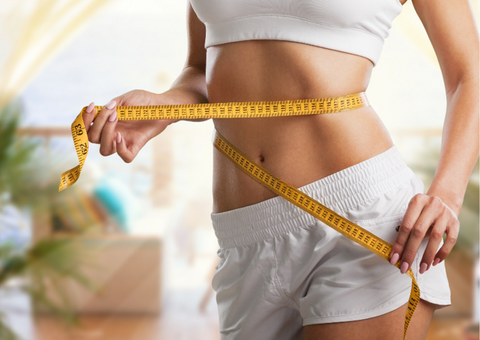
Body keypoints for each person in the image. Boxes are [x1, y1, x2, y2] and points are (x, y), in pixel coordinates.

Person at [81, 0, 479, 339]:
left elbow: (469, 75)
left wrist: (447, 193)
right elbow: (202, 71)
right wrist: (166, 106)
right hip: (244, 233)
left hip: (361, 223)